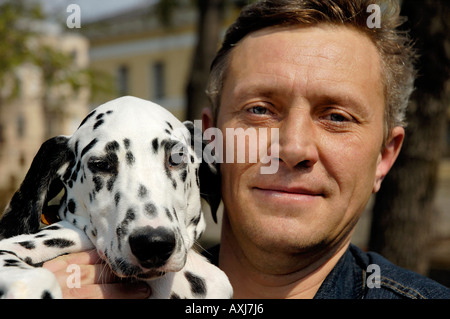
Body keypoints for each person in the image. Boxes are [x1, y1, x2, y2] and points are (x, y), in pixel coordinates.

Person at [43, 0, 450, 298]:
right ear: (207, 142)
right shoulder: (57, 282)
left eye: (337, 117)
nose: (293, 148)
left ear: (384, 157)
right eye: (259, 110)